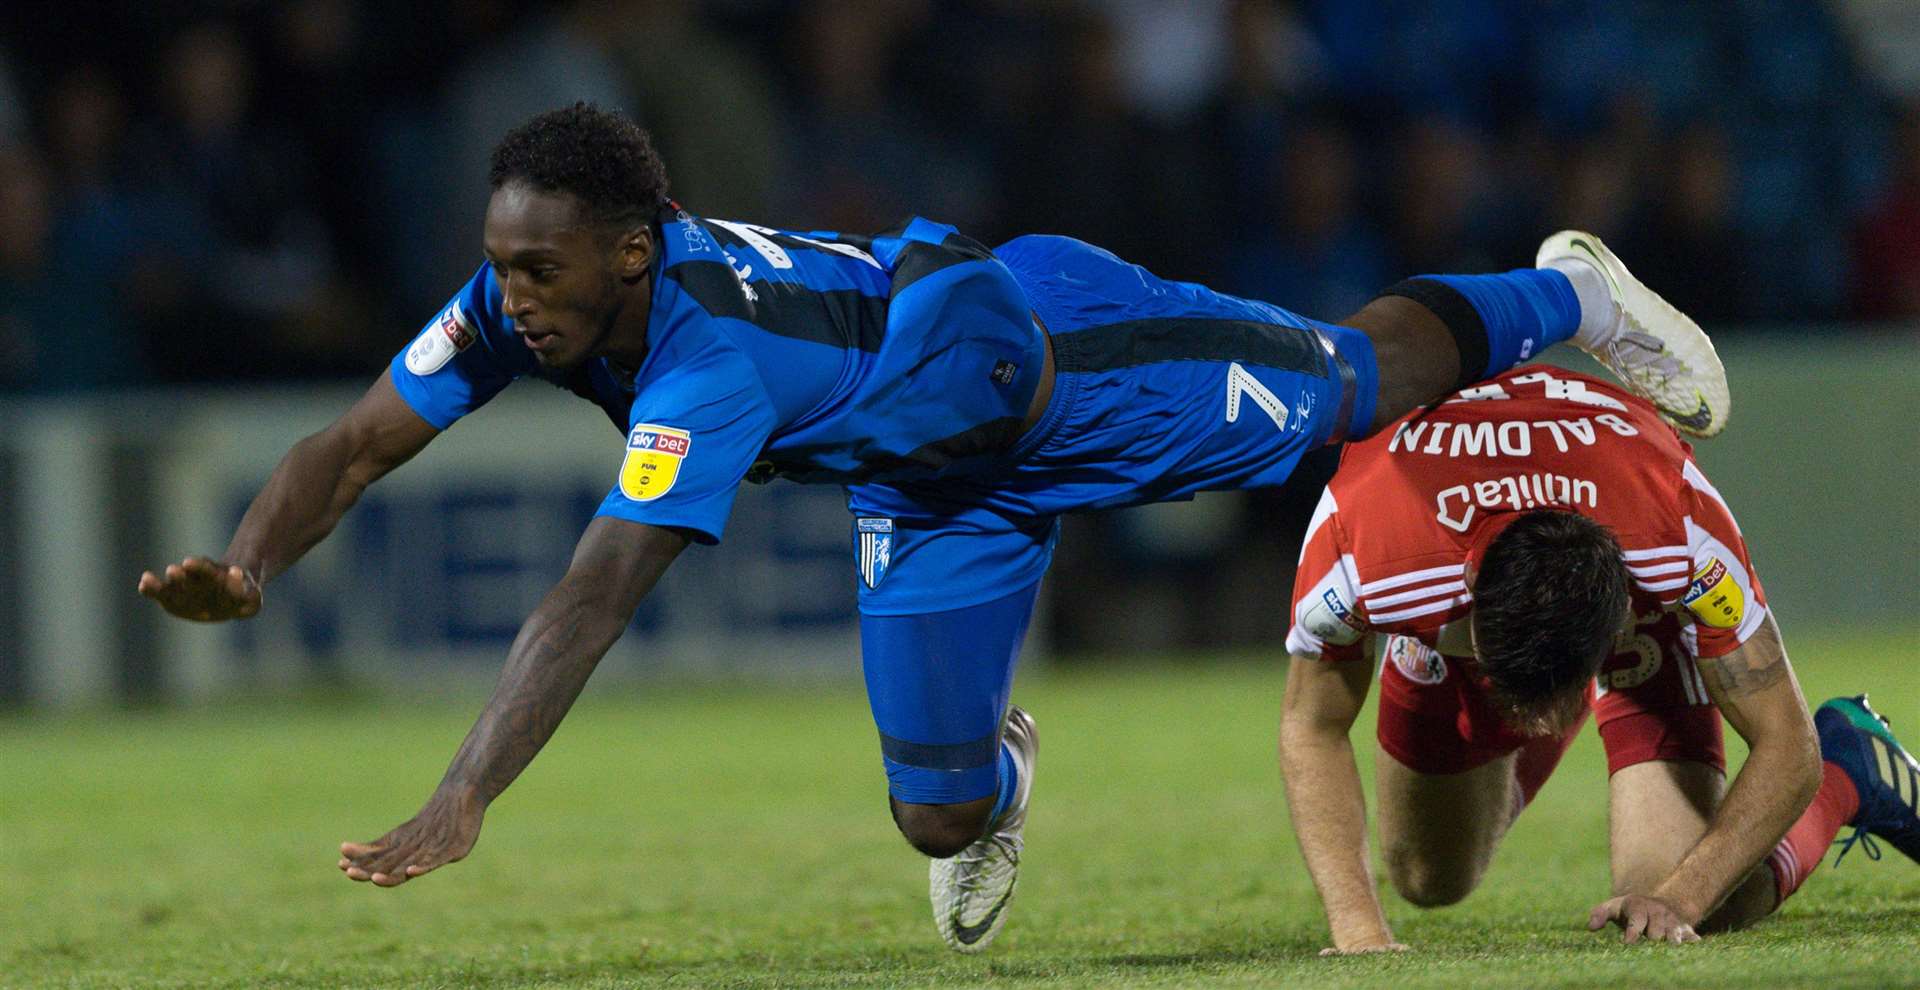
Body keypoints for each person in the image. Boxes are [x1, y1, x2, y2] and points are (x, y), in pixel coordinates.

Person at [138, 103, 1729, 952]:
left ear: (632, 254)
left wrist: (463, 791)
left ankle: (1568, 290)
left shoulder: (704, 357)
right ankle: (1004, 767)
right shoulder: (524, 299)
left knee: (1348, 382)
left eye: (541, 270)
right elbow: (353, 441)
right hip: (927, 481)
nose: (510, 295)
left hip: (1043, 363)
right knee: (937, 826)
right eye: (499, 264)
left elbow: (595, 591)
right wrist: (253, 563)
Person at [1278, 366, 1920, 953]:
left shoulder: (1679, 533)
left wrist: (1679, 897)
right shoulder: (1363, 548)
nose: (1539, 727)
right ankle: (1504, 674)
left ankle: (1852, 769)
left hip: (1633, 602)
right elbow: (1311, 726)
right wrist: (1359, 927)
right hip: (1454, 609)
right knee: (1427, 875)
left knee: (1704, 894)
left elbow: (1787, 742)